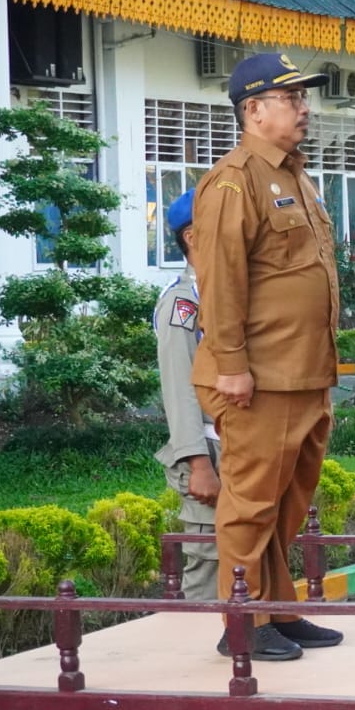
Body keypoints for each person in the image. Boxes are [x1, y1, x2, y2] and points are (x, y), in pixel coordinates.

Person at [191, 52, 343, 661]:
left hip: (305, 372)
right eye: (292, 99)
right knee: (251, 502)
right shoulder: (234, 181)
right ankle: (242, 620)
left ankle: (277, 610)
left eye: (304, 98)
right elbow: (222, 282)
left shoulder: (295, 176)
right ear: (253, 110)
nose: (305, 108)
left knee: (289, 501)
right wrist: (231, 366)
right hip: (257, 378)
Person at [154, 189, 220, 601]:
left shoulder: (222, 293)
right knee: (211, 565)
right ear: (192, 237)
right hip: (210, 455)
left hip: (242, 449)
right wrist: (198, 464)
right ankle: (196, 654)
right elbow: (179, 390)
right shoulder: (183, 302)